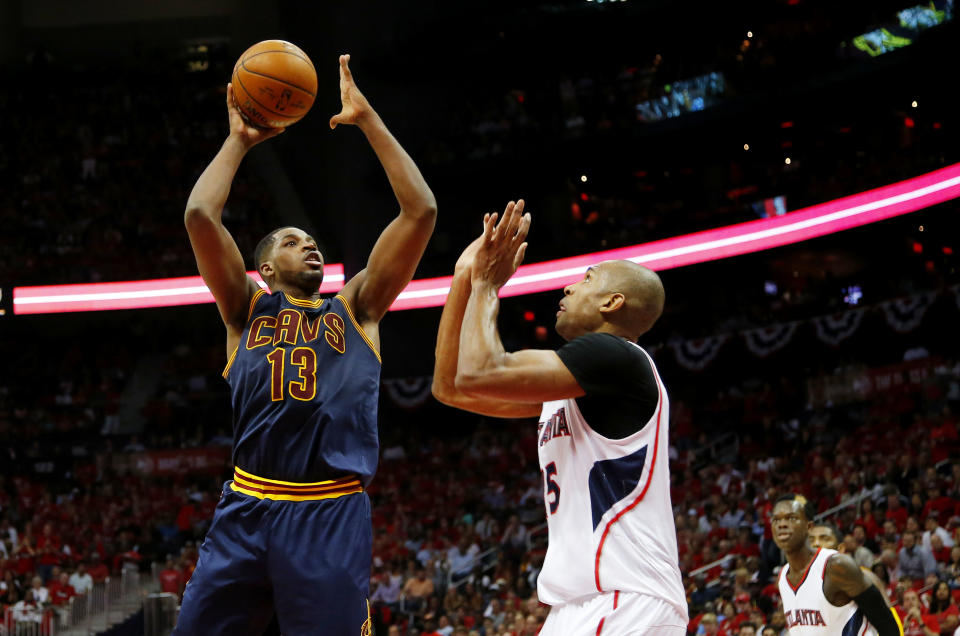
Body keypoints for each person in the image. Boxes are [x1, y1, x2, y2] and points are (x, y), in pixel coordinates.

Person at [173, 53, 437, 636]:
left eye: (313, 241)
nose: (309, 246)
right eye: (293, 242)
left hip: (329, 510)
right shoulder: (245, 309)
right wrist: (239, 141)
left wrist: (369, 121)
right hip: (247, 505)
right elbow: (198, 213)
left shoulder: (358, 307)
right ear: (264, 266)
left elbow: (420, 212)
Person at [433, 202, 687, 634]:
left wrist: (486, 285)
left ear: (612, 302)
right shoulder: (577, 385)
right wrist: (463, 277)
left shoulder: (616, 356)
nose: (567, 288)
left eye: (585, 280)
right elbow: (451, 388)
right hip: (581, 605)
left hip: (625, 597)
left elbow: (479, 370)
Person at [771, 494, 902, 635]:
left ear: (808, 527)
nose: (782, 524)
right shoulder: (783, 577)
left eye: (791, 518)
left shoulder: (836, 566)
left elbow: (886, 622)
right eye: (776, 520)